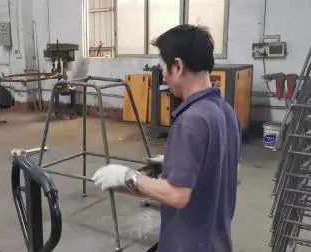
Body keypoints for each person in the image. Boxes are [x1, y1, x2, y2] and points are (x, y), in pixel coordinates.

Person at [92, 24, 241, 252]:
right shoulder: (225, 110)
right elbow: (223, 166)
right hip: (216, 242)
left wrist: (128, 177)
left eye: (163, 68)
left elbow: (177, 195)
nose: (163, 76)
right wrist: (176, 162)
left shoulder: (191, 120)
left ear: (178, 66)